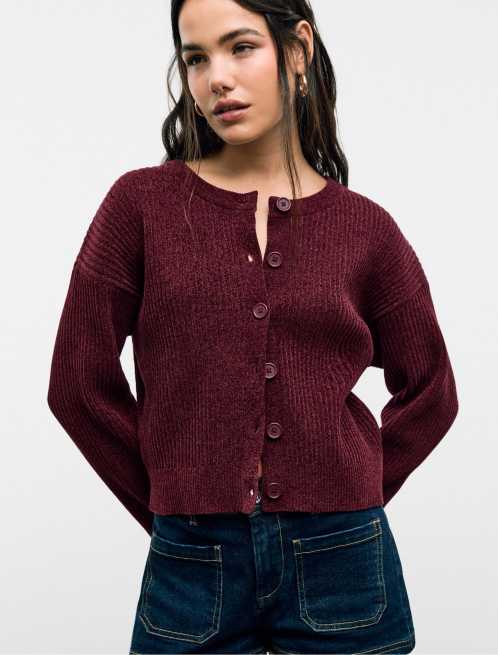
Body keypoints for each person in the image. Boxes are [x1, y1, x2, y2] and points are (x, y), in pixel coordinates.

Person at [46, 0, 459, 653]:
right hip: (191, 561)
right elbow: (76, 384)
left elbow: (431, 389)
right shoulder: (141, 207)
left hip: (344, 559)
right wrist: (167, 499)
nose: (216, 78)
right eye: (195, 58)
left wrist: (353, 489)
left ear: (296, 51)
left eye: (240, 47)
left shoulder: (365, 229)